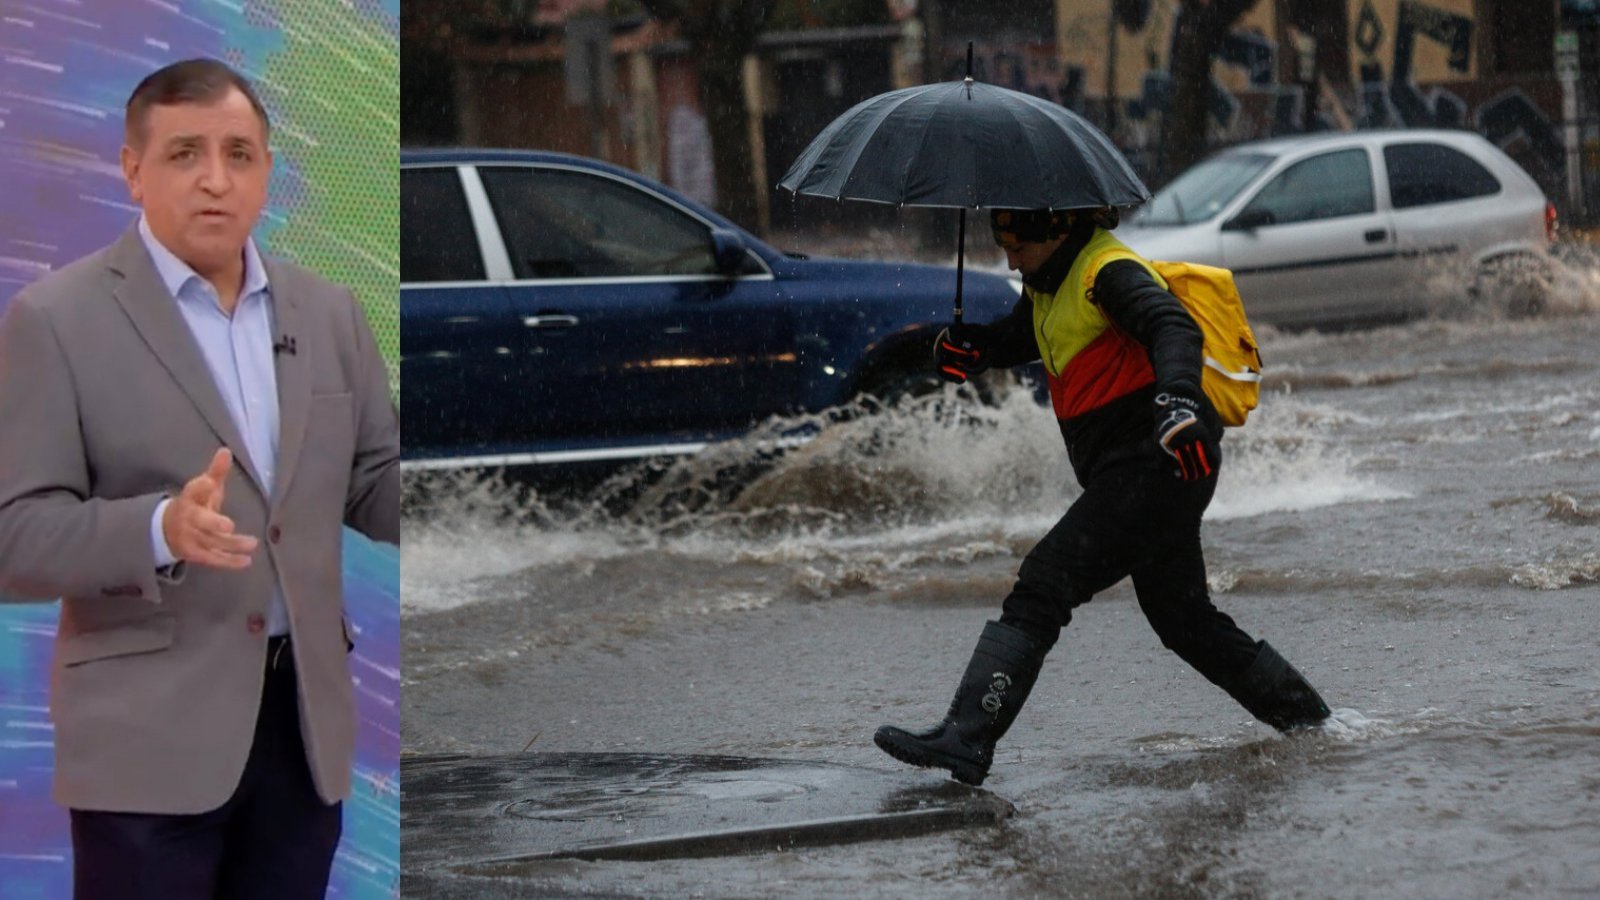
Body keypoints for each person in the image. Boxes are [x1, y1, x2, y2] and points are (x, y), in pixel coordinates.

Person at [0, 59, 398, 898]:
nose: (216, 180)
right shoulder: (55, 320)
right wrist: (157, 530)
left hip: (302, 738)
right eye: (185, 154)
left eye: (240, 154)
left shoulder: (331, 314)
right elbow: (14, 538)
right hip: (145, 746)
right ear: (133, 171)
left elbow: (374, 482)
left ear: (266, 171)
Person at [874, 207, 1329, 786]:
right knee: (1184, 622)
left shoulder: (1106, 270)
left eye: (1017, 242)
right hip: (1139, 472)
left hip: (1160, 461)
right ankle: (1312, 725)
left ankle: (966, 737)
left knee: (1044, 582)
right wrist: (974, 347)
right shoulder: (1047, 280)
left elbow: (1173, 326)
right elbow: (1026, 336)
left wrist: (1181, 401)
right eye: (999, 241)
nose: (1009, 256)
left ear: (1057, 228)